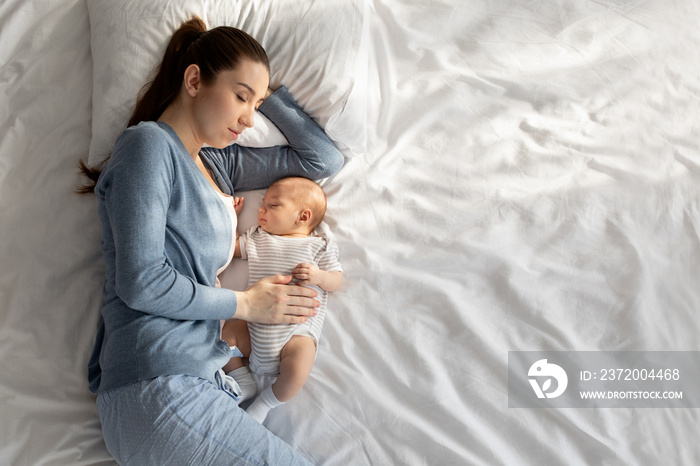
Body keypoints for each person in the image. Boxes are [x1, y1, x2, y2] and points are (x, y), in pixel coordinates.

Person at [77, 16, 343, 465]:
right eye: (241, 97)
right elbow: (141, 282)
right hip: (157, 381)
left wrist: (265, 93)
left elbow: (321, 159)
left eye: (255, 105)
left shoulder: (220, 165)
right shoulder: (148, 146)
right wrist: (246, 305)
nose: (249, 117)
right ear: (195, 80)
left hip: (197, 380)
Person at [220, 176, 342, 424]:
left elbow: (336, 279)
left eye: (273, 205)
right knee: (227, 333)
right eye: (262, 204)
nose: (261, 210)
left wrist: (318, 276)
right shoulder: (257, 237)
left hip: (294, 333)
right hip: (253, 329)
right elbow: (228, 249)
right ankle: (243, 380)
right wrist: (232, 221)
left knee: (300, 364)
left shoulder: (319, 245)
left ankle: (267, 401)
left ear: (303, 217)